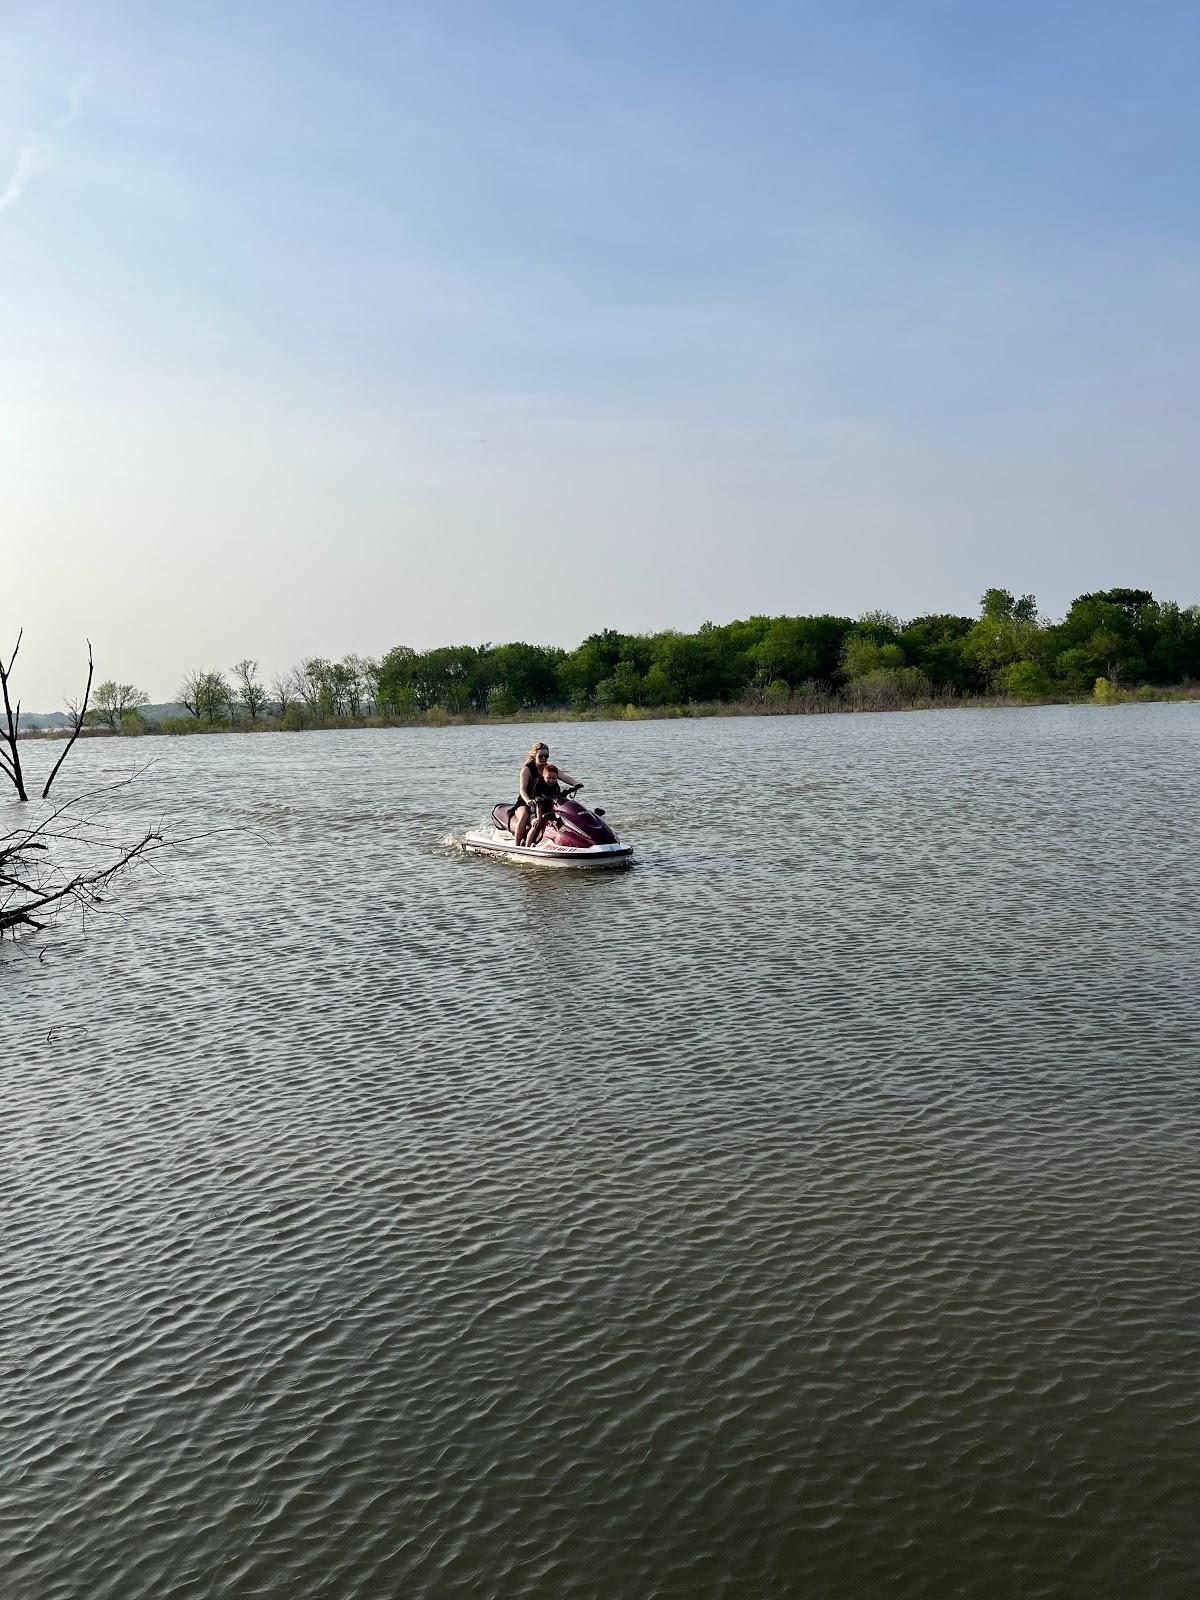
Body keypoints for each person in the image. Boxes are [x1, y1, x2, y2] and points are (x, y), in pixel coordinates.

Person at [509, 742, 579, 847]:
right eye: (541, 756)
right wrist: (528, 800)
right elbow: (522, 789)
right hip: (526, 802)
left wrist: (576, 783)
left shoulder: (549, 769)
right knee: (524, 815)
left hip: (544, 801)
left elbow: (564, 777)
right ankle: (517, 845)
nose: (544, 758)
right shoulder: (527, 769)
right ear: (534, 756)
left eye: (546, 756)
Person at [525, 762, 577, 849]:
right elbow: (538, 804)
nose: (551, 781)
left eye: (554, 778)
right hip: (535, 809)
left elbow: (557, 799)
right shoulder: (538, 784)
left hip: (548, 808)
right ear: (543, 776)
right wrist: (538, 818)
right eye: (548, 778)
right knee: (537, 825)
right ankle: (527, 847)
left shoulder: (555, 785)